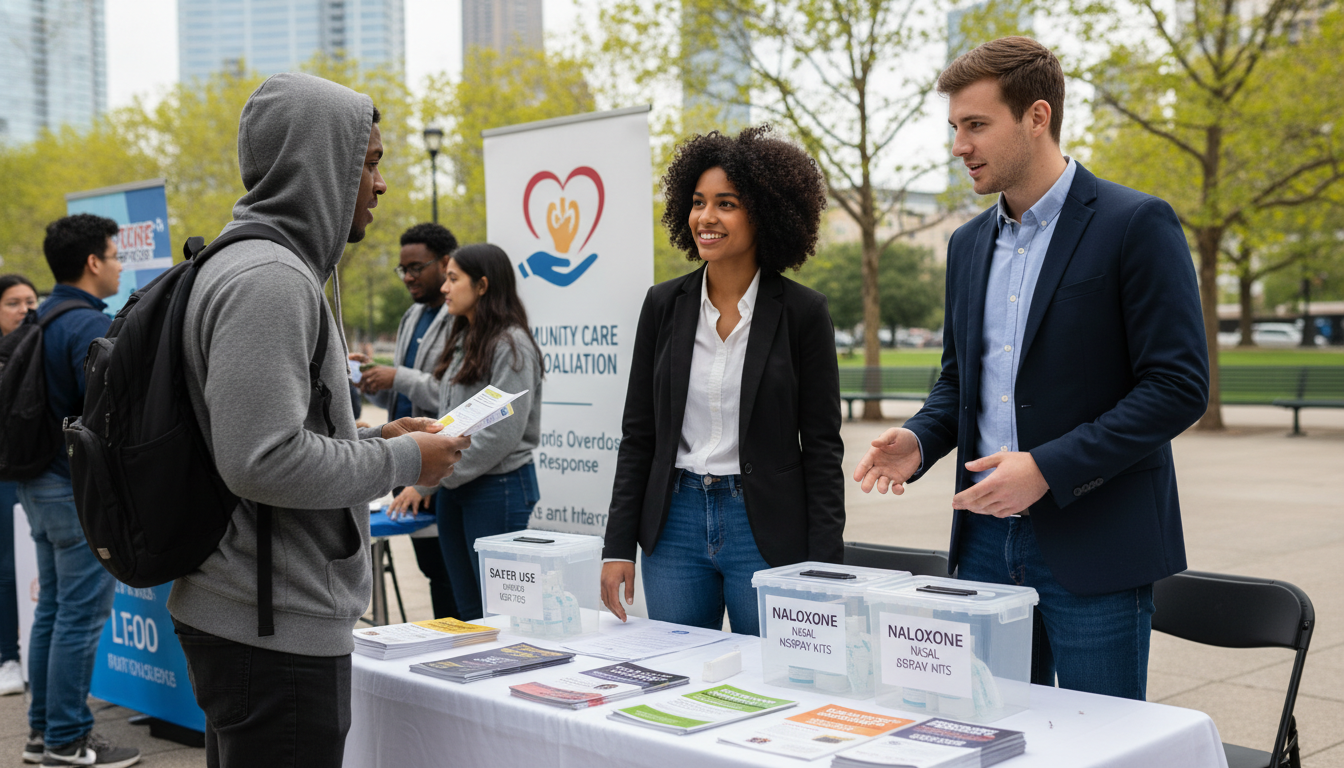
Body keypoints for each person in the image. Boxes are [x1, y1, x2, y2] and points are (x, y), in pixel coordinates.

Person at [853, 37, 1209, 700]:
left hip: (1096, 542)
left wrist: (1048, 468)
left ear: (1037, 117)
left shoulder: (1136, 223)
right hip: (984, 542)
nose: (960, 145)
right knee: (990, 735)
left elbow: (1178, 387)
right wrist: (921, 439)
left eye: (977, 125)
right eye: (955, 128)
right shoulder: (966, 245)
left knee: (1099, 744)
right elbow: (960, 382)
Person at [165, 73, 470, 768]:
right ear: (318, 163)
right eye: (369, 162)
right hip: (271, 631)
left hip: (264, 615)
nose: (381, 183)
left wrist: (372, 440)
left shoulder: (263, 266)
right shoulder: (269, 281)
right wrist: (403, 463)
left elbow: (260, 437)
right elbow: (260, 460)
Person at [600, 126, 844, 636]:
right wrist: (617, 545)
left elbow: (822, 449)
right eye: (697, 202)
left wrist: (826, 564)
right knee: (679, 680)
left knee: (776, 682)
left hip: (766, 530)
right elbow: (639, 435)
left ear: (765, 212)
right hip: (674, 527)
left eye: (725, 204)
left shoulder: (804, 312)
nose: (705, 218)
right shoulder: (662, 305)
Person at [17, 216, 139, 767]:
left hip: (37, 484)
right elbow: (107, 415)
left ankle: (43, 732)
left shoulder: (40, 317)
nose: (119, 265)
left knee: (51, 613)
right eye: (114, 255)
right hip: (72, 490)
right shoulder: (87, 325)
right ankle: (68, 739)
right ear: (93, 262)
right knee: (78, 617)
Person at [392, 243, 542, 621]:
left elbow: (501, 435)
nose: (444, 288)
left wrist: (429, 477)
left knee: (504, 616)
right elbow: (451, 412)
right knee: (469, 613)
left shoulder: (511, 344)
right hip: (457, 489)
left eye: (453, 279)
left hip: (498, 489)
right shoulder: (463, 336)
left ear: (483, 286)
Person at [353, 222, 461, 620]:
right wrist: (373, 379)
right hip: (406, 460)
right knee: (433, 572)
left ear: (445, 262)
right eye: (403, 269)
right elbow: (400, 396)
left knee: (452, 578)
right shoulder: (411, 316)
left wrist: (397, 375)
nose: (409, 277)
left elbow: (452, 395)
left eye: (417, 267)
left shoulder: (459, 317)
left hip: (439, 466)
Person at [0, 273, 38, 699]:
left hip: (34, 471)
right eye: (13, 302)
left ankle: (28, 651)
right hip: (5, 475)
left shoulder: (39, 347)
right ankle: (6, 656)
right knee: (8, 567)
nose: (25, 308)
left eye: (30, 299)